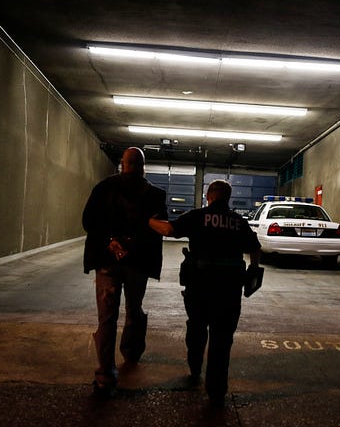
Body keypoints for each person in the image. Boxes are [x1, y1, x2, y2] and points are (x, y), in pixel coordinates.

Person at [149, 179, 261, 406]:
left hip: (199, 287)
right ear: (228, 198)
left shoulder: (197, 216)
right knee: (222, 338)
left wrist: (149, 220)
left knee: (197, 326)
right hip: (229, 291)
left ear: (209, 196)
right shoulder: (239, 222)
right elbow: (255, 248)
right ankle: (216, 391)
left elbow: (169, 229)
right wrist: (252, 270)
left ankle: (195, 365)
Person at [82, 147, 167, 398]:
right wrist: (132, 244)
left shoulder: (103, 188)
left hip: (107, 260)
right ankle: (131, 351)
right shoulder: (155, 195)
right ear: (143, 166)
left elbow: (88, 222)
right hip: (137, 263)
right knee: (134, 308)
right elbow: (158, 228)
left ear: (122, 164)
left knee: (107, 317)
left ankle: (105, 376)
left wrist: (111, 240)